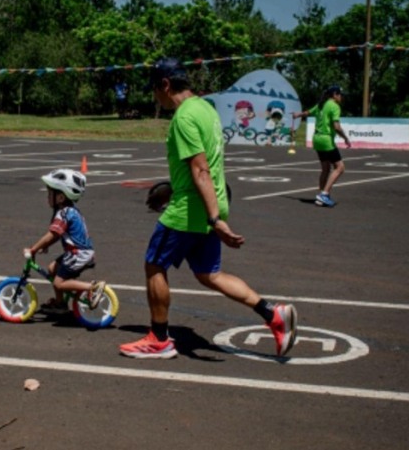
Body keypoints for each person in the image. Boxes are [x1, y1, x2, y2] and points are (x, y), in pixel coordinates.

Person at [118, 58, 297, 359]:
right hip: (208, 202)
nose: (154, 97)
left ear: (165, 84)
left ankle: (159, 339)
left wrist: (214, 219)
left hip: (191, 209)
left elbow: (201, 169)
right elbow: (205, 167)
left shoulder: (184, 118)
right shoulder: (206, 109)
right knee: (208, 273)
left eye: (154, 89)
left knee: (154, 265)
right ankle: (273, 314)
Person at [24, 168, 106, 312]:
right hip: (78, 252)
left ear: (61, 197)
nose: (47, 197)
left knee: (58, 283)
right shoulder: (70, 210)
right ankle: (60, 303)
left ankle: (92, 288)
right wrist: (46, 245)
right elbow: (59, 234)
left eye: (50, 194)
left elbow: (53, 234)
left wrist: (34, 249)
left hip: (78, 254)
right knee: (52, 269)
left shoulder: (64, 213)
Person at [292, 85, 351, 208]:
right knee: (340, 167)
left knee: (325, 168)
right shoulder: (334, 106)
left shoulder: (321, 104)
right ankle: (324, 194)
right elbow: (336, 126)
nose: (341, 97)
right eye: (340, 94)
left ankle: (322, 196)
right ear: (334, 94)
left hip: (316, 139)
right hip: (326, 140)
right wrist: (345, 138)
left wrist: (298, 115)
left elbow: (308, 112)